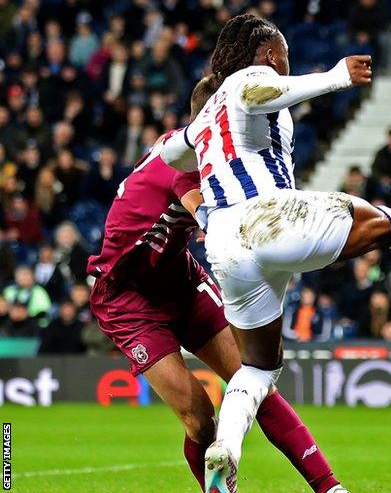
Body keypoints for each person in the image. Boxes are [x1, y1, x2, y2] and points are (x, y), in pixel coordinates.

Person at [159, 13, 391, 492]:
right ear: (270, 53)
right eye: (282, 56)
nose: (284, 65)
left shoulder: (207, 115)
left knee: (258, 367)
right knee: (388, 224)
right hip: (268, 217)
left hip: (226, 246)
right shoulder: (249, 77)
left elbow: (170, 156)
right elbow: (255, 91)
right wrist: (335, 77)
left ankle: (226, 447)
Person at [88, 126, 347, 493]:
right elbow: (196, 200)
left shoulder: (195, 143)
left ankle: (330, 488)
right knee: (199, 418)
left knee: (255, 378)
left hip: (180, 280)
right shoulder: (188, 160)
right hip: (127, 299)